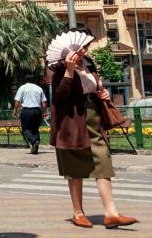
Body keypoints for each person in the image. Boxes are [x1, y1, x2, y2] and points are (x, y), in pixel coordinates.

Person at [50, 34, 138, 230]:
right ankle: (78, 212)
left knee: (103, 162)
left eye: (86, 47)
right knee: (74, 169)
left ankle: (111, 213)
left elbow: (95, 86)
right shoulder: (59, 67)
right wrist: (70, 71)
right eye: (81, 48)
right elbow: (59, 97)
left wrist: (103, 93)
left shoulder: (89, 64)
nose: (84, 51)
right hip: (71, 122)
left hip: (93, 117)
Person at [14, 79, 48, 154]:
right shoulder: (39, 88)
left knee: (25, 129)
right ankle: (35, 145)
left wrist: (15, 110)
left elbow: (17, 100)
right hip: (37, 111)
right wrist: (44, 111)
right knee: (35, 129)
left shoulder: (23, 87)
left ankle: (34, 141)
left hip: (27, 111)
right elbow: (44, 102)